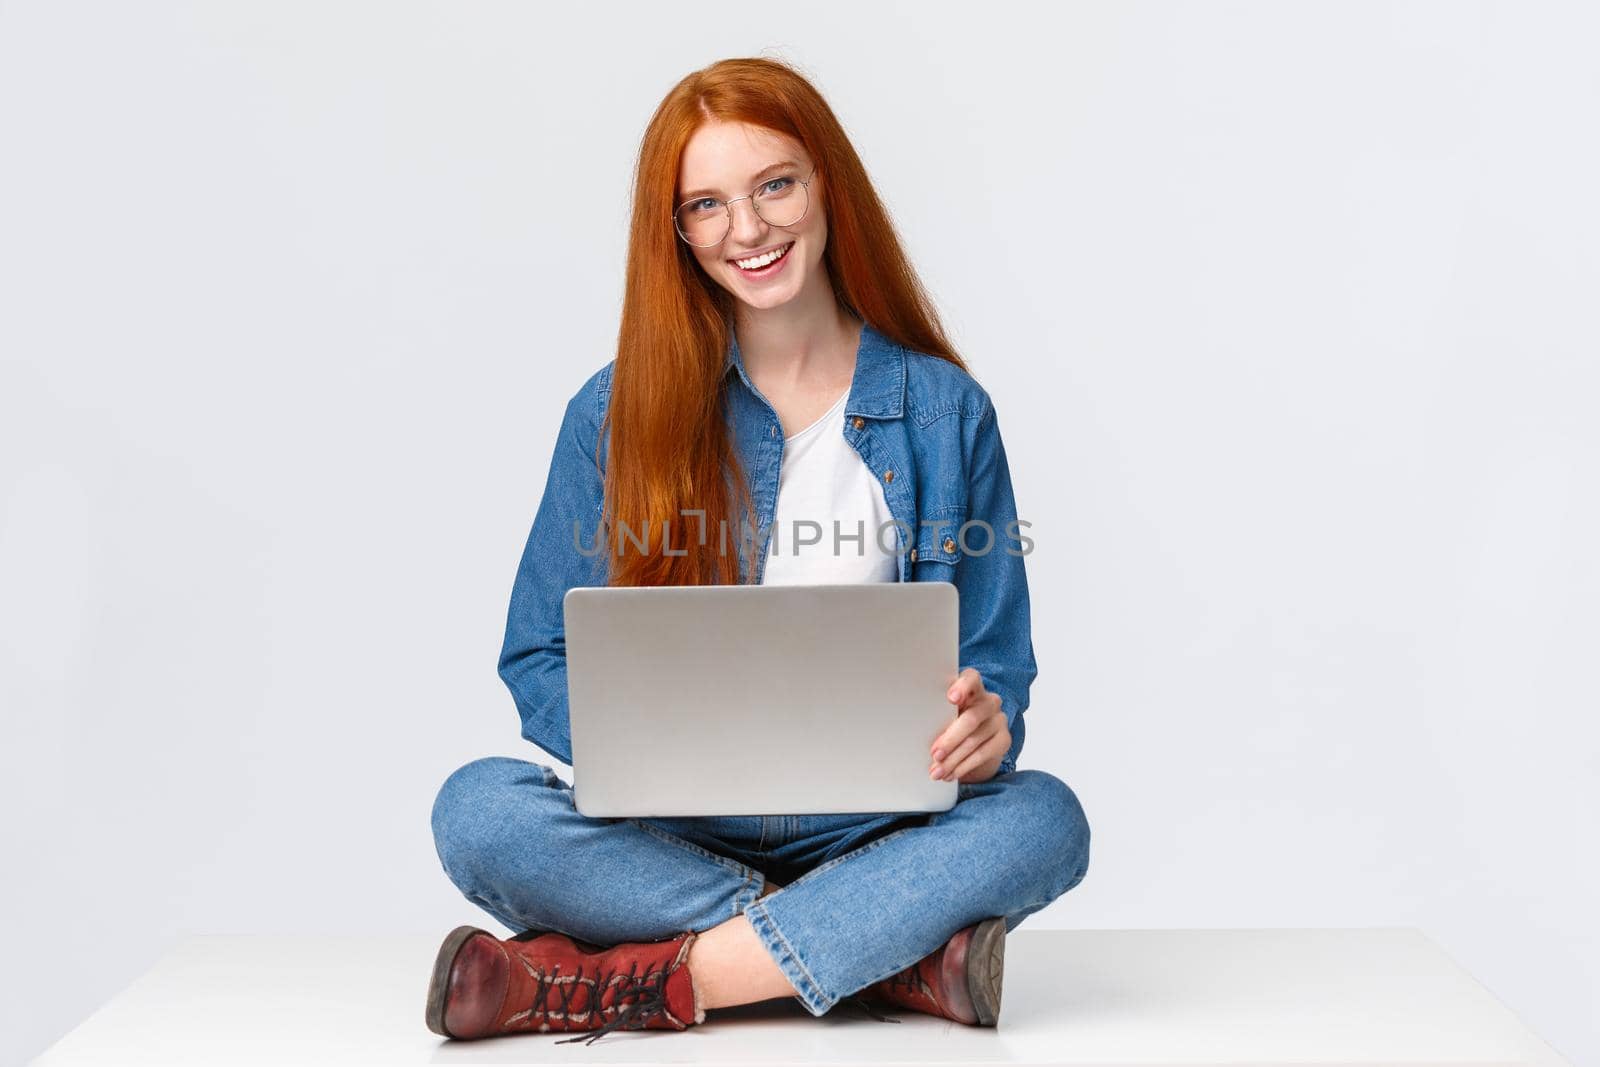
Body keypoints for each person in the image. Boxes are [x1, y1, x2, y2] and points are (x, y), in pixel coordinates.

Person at [425, 55, 1091, 1045]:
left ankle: (649, 978)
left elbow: (991, 661)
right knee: (477, 807)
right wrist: (649, 735)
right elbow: (535, 656)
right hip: (669, 828)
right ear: (678, 231)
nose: (747, 230)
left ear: (826, 185)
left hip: (875, 825)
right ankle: (890, 954)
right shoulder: (610, 413)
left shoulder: (944, 410)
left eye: (774, 184)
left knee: (1045, 818)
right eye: (706, 204)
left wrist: (985, 722)